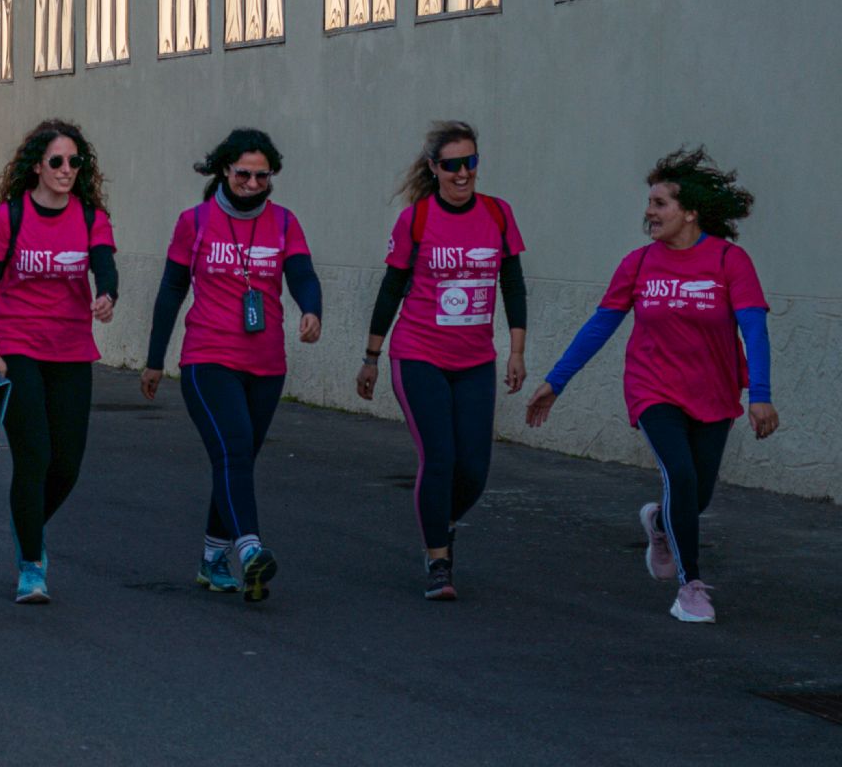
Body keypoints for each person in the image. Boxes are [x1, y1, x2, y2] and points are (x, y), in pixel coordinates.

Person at [526, 148, 776, 624]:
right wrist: (556, 381)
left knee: (697, 495)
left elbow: (754, 329)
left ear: (690, 212)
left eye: (660, 203)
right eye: (650, 203)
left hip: (715, 393)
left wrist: (760, 395)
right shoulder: (638, 264)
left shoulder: (730, 261)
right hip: (653, 388)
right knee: (680, 476)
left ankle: (659, 523)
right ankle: (690, 587)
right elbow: (600, 325)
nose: (650, 212)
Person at [141, 128, 322, 602]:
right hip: (208, 359)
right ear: (225, 170)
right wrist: (155, 360)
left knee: (236, 459)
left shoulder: (284, 223)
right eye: (244, 174)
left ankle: (212, 557)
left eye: (263, 176)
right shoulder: (195, 221)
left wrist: (311, 309)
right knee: (235, 449)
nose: (252, 183)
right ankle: (250, 550)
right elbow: (171, 291)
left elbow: (302, 274)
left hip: (267, 364)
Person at [356, 119, 526, 601]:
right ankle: (438, 562)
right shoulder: (416, 219)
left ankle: (440, 523)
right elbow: (391, 288)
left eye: (470, 162)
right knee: (440, 457)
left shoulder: (497, 213)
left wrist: (516, 351)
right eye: (452, 165)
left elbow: (513, 285)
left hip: (475, 360)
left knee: (474, 467)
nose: (463, 173)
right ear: (434, 168)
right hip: (419, 354)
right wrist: (371, 357)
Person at [0, 119, 117, 604]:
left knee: (66, 465)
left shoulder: (91, 217)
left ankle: (27, 528)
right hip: (17, 345)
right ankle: (32, 566)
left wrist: (107, 295)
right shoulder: (10, 217)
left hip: (71, 348)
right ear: (37, 165)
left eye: (75, 161)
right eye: (57, 161)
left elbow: (105, 265)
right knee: (34, 455)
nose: (66, 169)